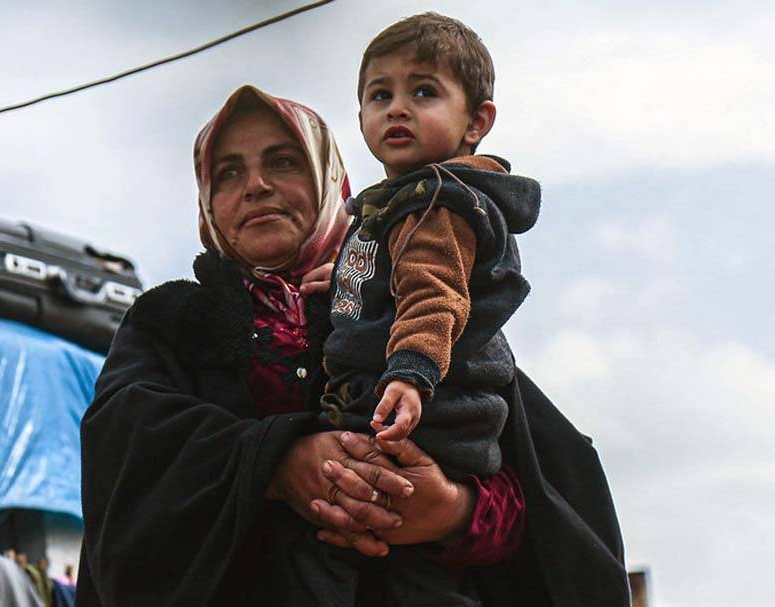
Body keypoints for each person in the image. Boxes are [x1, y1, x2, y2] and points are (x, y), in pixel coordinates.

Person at [76, 84, 629, 606]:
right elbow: (128, 471)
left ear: (331, 182)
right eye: (228, 172)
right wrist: (276, 463)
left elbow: (547, 487)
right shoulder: (171, 323)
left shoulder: (406, 303)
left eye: (283, 161)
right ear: (207, 204)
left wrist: (453, 511)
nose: (256, 185)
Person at [304, 12, 540, 605]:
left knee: (382, 564)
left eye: (424, 91)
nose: (397, 109)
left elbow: (434, 295)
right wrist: (345, 284)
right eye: (379, 95)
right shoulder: (405, 207)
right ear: (358, 116)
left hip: (425, 417)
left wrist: (410, 375)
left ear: (476, 122)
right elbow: (404, 272)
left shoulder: (434, 202)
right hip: (441, 417)